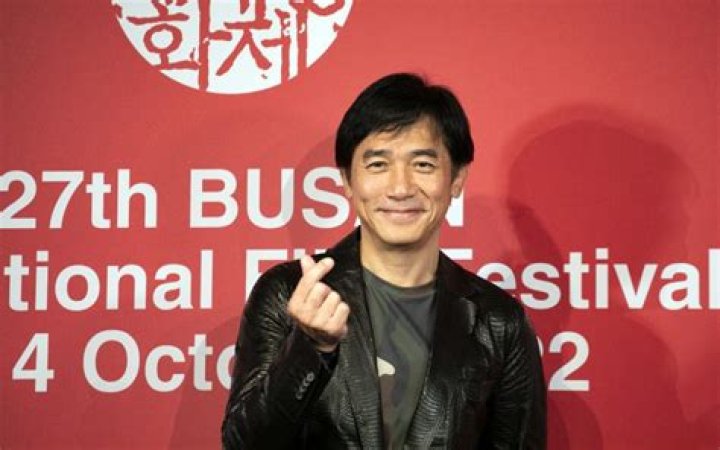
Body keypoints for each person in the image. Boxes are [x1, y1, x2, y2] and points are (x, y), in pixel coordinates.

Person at [221, 73, 546, 449]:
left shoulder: (498, 321)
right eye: (378, 165)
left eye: (423, 165)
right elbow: (242, 445)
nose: (400, 188)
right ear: (347, 180)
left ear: (456, 178)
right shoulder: (288, 294)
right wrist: (310, 348)